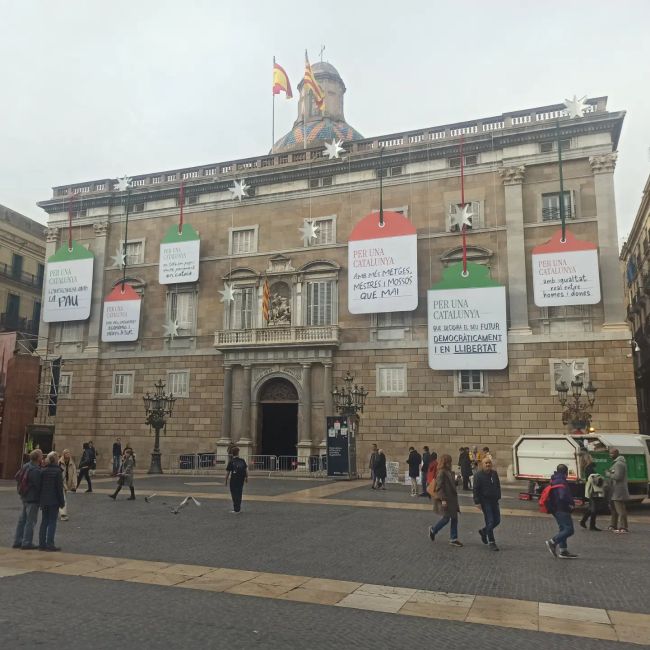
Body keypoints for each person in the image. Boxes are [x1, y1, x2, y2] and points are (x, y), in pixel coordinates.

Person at [428, 454, 462, 547]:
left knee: (454, 518)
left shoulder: (449, 472)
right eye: (448, 461)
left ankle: (453, 538)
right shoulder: (441, 472)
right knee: (446, 519)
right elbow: (439, 487)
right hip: (446, 499)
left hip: (452, 500)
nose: (450, 463)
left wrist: (457, 480)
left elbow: (451, 484)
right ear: (445, 462)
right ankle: (433, 530)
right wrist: (443, 500)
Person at [545, 464, 578, 559]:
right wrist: (570, 503)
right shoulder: (561, 481)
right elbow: (562, 495)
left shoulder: (554, 479)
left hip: (555, 508)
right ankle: (553, 541)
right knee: (569, 530)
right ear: (566, 472)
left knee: (563, 529)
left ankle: (563, 551)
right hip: (562, 508)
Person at [13, 449, 43, 550]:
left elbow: (17, 476)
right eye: (41, 455)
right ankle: (26, 542)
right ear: (38, 458)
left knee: (22, 520)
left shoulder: (26, 465)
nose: (42, 457)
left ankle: (17, 540)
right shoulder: (35, 470)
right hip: (32, 498)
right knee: (30, 521)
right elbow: (38, 485)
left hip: (24, 497)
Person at [473, 457, 502, 551]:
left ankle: (483, 531)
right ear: (482, 464)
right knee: (490, 521)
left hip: (494, 500)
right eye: (486, 463)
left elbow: (498, 485)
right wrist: (477, 502)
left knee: (497, 520)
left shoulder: (494, 473)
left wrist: (498, 495)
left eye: (489, 463)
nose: (488, 464)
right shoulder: (478, 475)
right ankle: (492, 542)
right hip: (485, 501)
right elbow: (475, 489)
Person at [39, 451, 65, 551]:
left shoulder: (43, 470)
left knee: (44, 521)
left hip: (44, 500)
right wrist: (62, 502)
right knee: (52, 522)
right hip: (54, 501)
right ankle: (50, 544)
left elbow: (40, 486)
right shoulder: (58, 472)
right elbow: (59, 489)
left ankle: (41, 544)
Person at [607, 448, 629, 533]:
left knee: (620, 509)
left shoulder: (619, 464)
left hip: (618, 490)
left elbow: (618, 477)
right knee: (613, 509)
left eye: (612, 454)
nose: (610, 455)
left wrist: (608, 474)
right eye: (610, 453)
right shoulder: (616, 463)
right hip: (614, 490)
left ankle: (624, 527)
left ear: (616, 454)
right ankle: (613, 525)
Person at [580, 465, 605, 531]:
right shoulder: (596, 476)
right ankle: (591, 526)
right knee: (593, 510)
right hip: (594, 494)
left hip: (591, 494)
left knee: (592, 509)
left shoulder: (591, 476)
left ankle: (583, 521)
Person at [225, 446, 248, 513]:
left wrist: (226, 480)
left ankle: (236, 508)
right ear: (238, 453)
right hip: (241, 479)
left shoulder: (231, 462)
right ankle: (238, 508)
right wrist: (247, 478)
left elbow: (228, 473)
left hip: (234, 480)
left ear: (232, 453)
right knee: (239, 493)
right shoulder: (242, 460)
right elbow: (245, 470)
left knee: (234, 494)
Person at [58, 449, 77, 521]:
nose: (68, 454)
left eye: (69, 453)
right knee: (63, 498)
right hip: (61, 483)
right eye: (66, 453)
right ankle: (63, 514)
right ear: (64, 454)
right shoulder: (59, 462)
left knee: (61, 497)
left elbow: (74, 474)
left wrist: (74, 485)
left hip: (68, 483)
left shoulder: (72, 463)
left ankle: (56, 509)